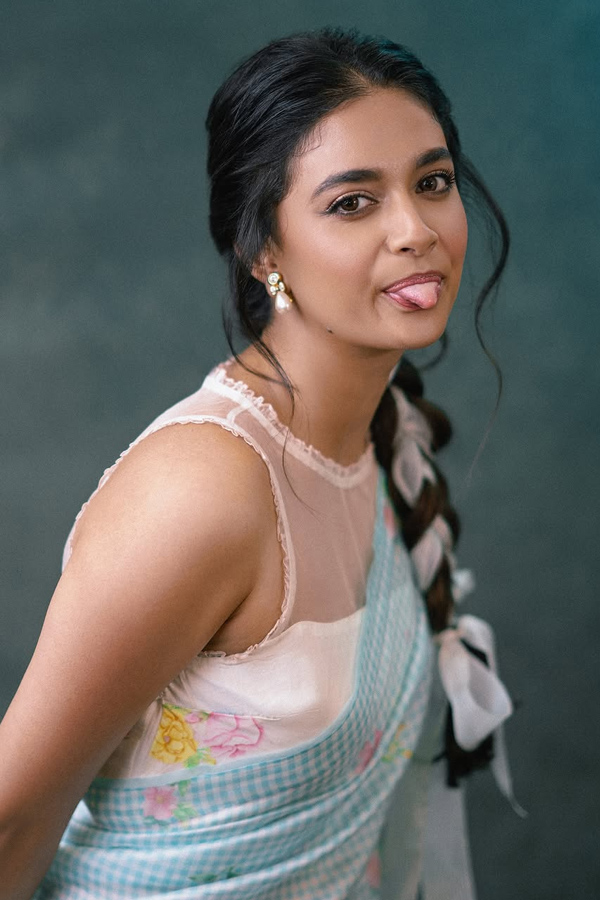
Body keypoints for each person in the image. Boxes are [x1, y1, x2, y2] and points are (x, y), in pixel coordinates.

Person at [0, 27, 521, 899]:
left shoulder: (383, 433)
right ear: (263, 249)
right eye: (353, 202)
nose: (415, 230)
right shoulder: (207, 487)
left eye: (433, 183)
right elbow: (11, 820)